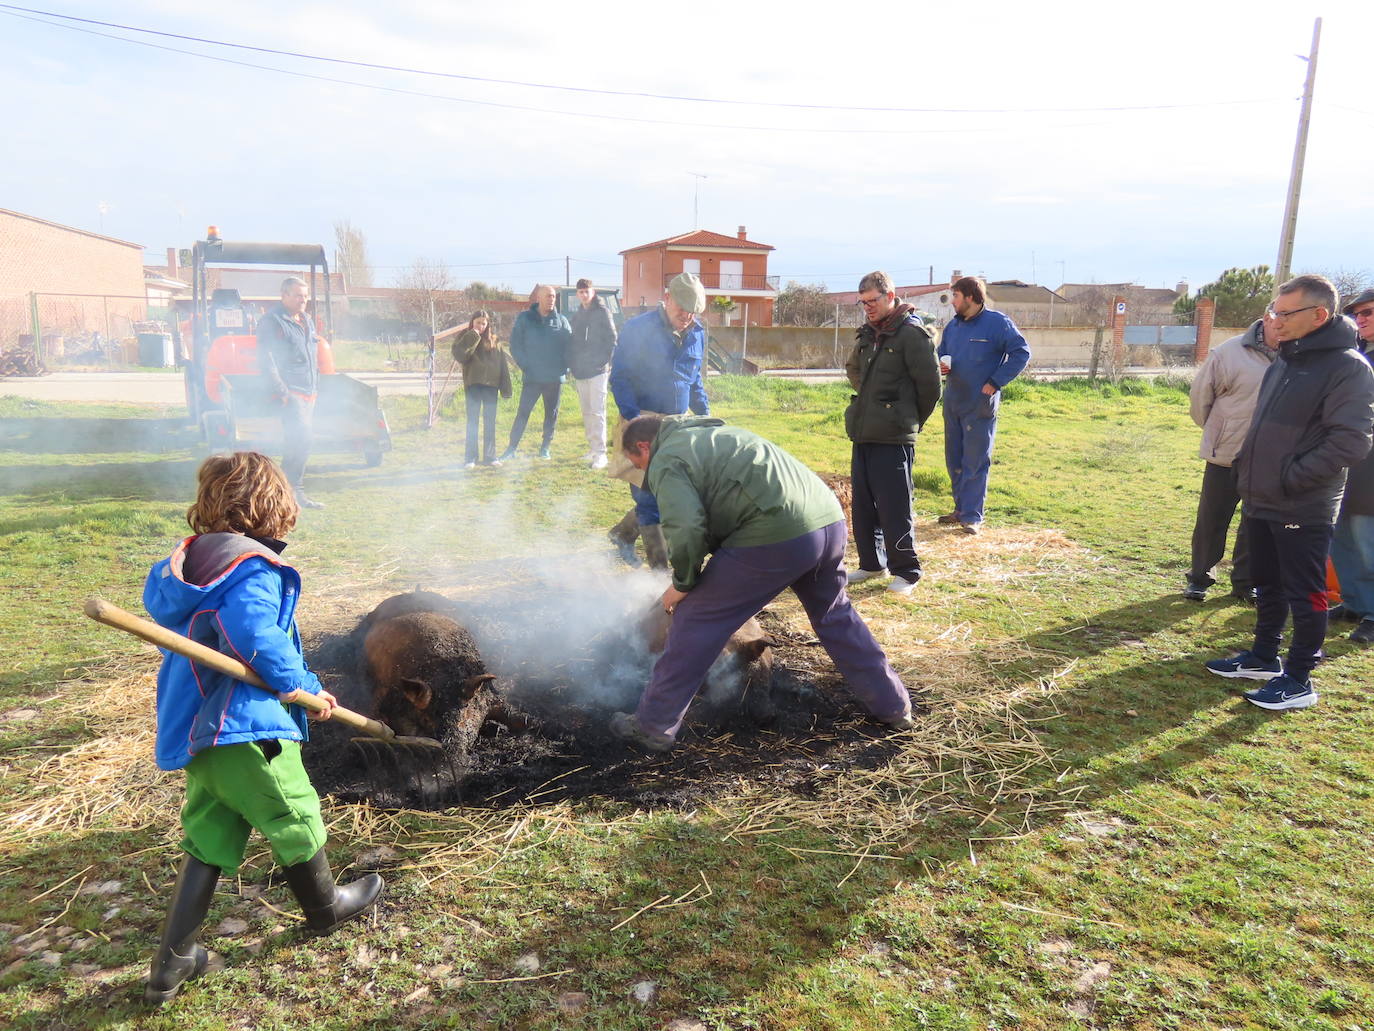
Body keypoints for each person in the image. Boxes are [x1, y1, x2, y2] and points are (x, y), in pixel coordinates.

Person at [141, 452, 383, 1004]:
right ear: (274, 507)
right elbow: (257, 637)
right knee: (294, 810)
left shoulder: (193, 563)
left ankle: (172, 964)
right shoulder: (249, 567)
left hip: (201, 729)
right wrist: (302, 685)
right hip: (244, 725)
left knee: (210, 833)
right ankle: (326, 908)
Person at [608, 415, 914, 752]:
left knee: (696, 619)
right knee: (835, 616)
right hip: (828, 524)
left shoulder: (667, 457)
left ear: (643, 445)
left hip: (777, 534)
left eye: (636, 463)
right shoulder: (715, 437)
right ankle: (894, 706)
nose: (640, 474)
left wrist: (682, 584)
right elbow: (722, 511)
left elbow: (687, 527)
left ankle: (652, 725)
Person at [1205, 275, 1374, 710]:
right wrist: (1248, 466)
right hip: (1261, 495)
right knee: (1266, 582)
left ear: (1318, 315)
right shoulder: (1286, 359)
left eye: (1285, 313)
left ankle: (1299, 679)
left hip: (1303, 502)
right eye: (1274, 311)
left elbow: (1350, 441)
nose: (1274, 320)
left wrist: (1289, 477)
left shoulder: (1348, 368)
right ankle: (1263, 657)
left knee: (1305, 592)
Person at [843, 271, 942, 595]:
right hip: (864, 430)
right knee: (864, 506)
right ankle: (872, 563)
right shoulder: (869, 333)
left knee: (894, 506)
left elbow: (930, 388)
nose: (868, 308)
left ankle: (907, 571)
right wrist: (871, 398)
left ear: (890, 296)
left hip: (895, 435)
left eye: (873, 301)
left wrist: (907, 418)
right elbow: (853, 368)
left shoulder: (911, 335)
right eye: (863, 302)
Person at [606, 271, 710, 568]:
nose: (687, 316)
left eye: (693, 311)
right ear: (667, 298)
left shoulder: (698, 333)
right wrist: (633, 418)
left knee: (668, 494)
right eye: (682, 308)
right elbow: (620, 376)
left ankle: (622, 535)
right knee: (648, 496)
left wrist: (706, 416)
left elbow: (693, 381)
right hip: (642, 423)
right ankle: (659, 574)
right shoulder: (638, 329)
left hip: (676, 425)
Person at [1184, 316, 1279, 602]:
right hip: (1226, 453)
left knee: (1256, 522)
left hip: (1271, 457)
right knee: (1212, 518)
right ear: (1269, 318)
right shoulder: (1229, 351)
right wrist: (1219, 432)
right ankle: (1200, 577)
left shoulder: (1299, 353)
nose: (1284, 325)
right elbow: (1201, 397)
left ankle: (1245, 583)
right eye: (1280, 317)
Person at [936, 276, 1031, 534]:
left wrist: (996, 381)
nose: (952, 302)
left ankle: (973, 516)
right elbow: (940, 352)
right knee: (954, 458)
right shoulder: (953, 327)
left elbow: (1021, 353)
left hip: (980, 404)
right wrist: (941, 365)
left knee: (975, 460)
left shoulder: (997, 324)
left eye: (955, 296)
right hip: (954, 400)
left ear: (969, 297)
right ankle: (960, 509)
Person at [257, 277, 324, 509]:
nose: (303, 300)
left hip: (309, 391)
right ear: (284, 295)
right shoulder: (272, 322)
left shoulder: (306, 320)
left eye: (305, 296)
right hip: (291, 392)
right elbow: (266, 360)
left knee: (299, 443)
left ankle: (288, 495)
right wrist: (282, 392)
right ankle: (289, 493)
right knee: (303, 439)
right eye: (297, 295)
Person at [1331, 287, 1374, 643]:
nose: (1361, 319)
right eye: (1357, 314)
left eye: (1369, 312)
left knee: (1367, 538)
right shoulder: (1355, 353)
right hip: (1346, 461)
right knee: (1342, 535)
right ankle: (1354, 603)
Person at [499, 284, 571, 462]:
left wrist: (565, 367)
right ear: (538, 298)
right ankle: (511, 448)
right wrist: (526, 366)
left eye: (553, 296)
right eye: (548, 296)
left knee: (551, 414)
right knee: (523, 413)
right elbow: (515, 345)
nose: (551, 299)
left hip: (554, 378)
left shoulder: (561, 321)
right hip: (532, 377)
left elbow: (571, 347)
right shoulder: (525, 319)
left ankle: (545, 447)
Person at [449, 310, 513, 468]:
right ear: (472, 322)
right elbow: (460, 356)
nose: (481, 326)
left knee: (490, 422)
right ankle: (470, 458)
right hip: (473, 385)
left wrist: (506, 387)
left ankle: (490, 457)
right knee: (473, 422)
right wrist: (473, 336)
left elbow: (502, 365)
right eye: (478, 322)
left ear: (488, 324)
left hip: (491, 386)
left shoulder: (494, 340)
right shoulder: (465, 338)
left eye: (484, 323)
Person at [567, 278, 618, 470]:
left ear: (593, 292)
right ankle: (592, 449)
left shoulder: (603, 312)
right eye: (580, 292)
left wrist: (603, 362)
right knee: (587, 412)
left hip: (598, 370)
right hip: (581, 370)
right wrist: (573, 364)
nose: (584, 294)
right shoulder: (578, 314)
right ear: (577, 294)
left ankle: (601, 454)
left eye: (586, 291)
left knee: (597, 412)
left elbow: (613, 339)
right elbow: (573, 341)